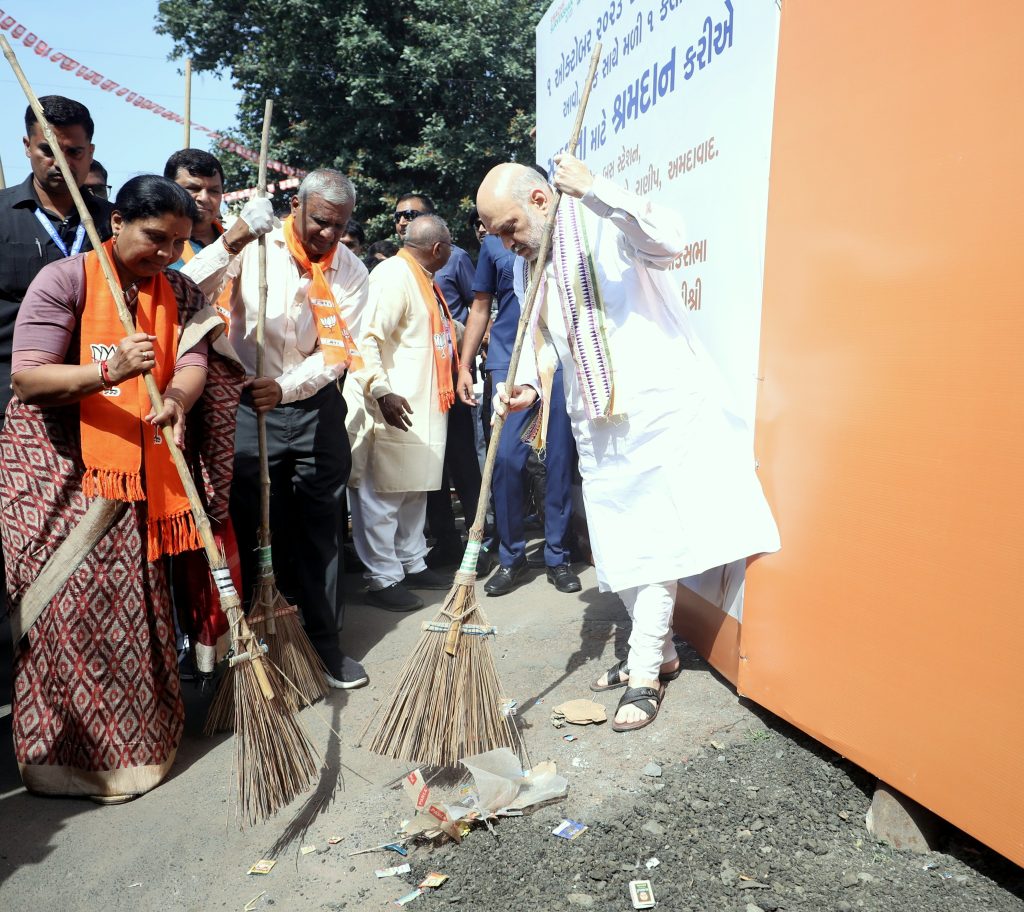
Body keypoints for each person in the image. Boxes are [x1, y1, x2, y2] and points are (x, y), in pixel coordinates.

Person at [477, 155, 781, 732]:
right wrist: (519, 389)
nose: (505, 242)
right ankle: (661, 653)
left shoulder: (601, 219)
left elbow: (668, 241)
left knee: (654, 544)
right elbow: (543, 343)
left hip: (655, 410)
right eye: (495, 233)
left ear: (540, 201)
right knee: (619, 547)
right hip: (595, 422)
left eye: (509, 226)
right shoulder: (527, 263)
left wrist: (595, 189)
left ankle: (643, 671)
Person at [0, 175, 244, 800]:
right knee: (69, 613)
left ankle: (139, 750)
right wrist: (110, 369)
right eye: (155, 238)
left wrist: (178, 403)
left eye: (178, 242)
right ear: (116, 223)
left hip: (146, 471)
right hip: (65, 472)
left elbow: (193, 365)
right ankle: (63, 763)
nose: (165, 254)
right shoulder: (66, 280)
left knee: (137, 609)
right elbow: (29, 379)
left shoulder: (182, 289)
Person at [183, 169, 369, 689]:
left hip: (312, 407)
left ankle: (326, 643)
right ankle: (248, 648)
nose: (328, 236)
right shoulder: (253, 245)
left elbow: (338, 353)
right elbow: (183, 288)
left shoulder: (350, 269)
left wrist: (285, 389)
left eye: (340, 226)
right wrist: (235, 237)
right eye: (321, 223)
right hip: (243, 401)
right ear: (297, 207)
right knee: (248, 521)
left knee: (322, 525)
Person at [458, 231, 581, 596]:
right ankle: (512, 556)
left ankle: (558, 555)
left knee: (556, 459)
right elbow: (481, 305)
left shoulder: (560, 234)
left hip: (556, 358)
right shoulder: (495, 245)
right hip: (508, 362)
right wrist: (465, 365)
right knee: (507, 460)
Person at [346, 214, 459, 611]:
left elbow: (433, 334)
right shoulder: (393, 275)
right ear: (438, 249)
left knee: (415, 489)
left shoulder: (421, 278)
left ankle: (412, 561)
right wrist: (382, 391)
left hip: (424, 408)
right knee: (381, 495)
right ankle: (382, 576)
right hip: (392, 405)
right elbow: (365, 340)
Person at [0, 96, 114, 429]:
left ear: (90, 152)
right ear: (27, 146)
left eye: (74, 153)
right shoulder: (2, 216)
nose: (61, 163)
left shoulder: (117, 223)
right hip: (12, 404)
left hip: (101, 402)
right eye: (48, 151)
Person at [393, 192, 482, 570]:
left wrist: (466, 365)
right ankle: (446, 542)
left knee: (463, 463)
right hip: (420, 386)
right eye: (398, 216)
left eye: (411, 214)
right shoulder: (398, 270)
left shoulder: (455, 258)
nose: (402, 221)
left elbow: (478, 307)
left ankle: (481, 541)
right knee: (431, 467)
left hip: (454, 377)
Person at [163, 149, 226, 267]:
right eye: (193, 189)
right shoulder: (154, 245)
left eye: (214, 191)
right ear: (168, 189)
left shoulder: (245, 246)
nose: (204, 198)